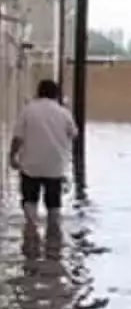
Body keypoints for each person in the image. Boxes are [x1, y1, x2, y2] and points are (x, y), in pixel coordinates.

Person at [8, 79, 78, 232]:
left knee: (30, 199)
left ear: (38, 93)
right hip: (55, 166)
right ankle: (54, 235)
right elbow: (73, 134)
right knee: (54, 203)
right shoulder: (64, 113)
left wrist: (12, 156)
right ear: (56, 94)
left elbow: (18, 138)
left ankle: (31, 230)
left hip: (30, 165)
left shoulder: (28, 110)